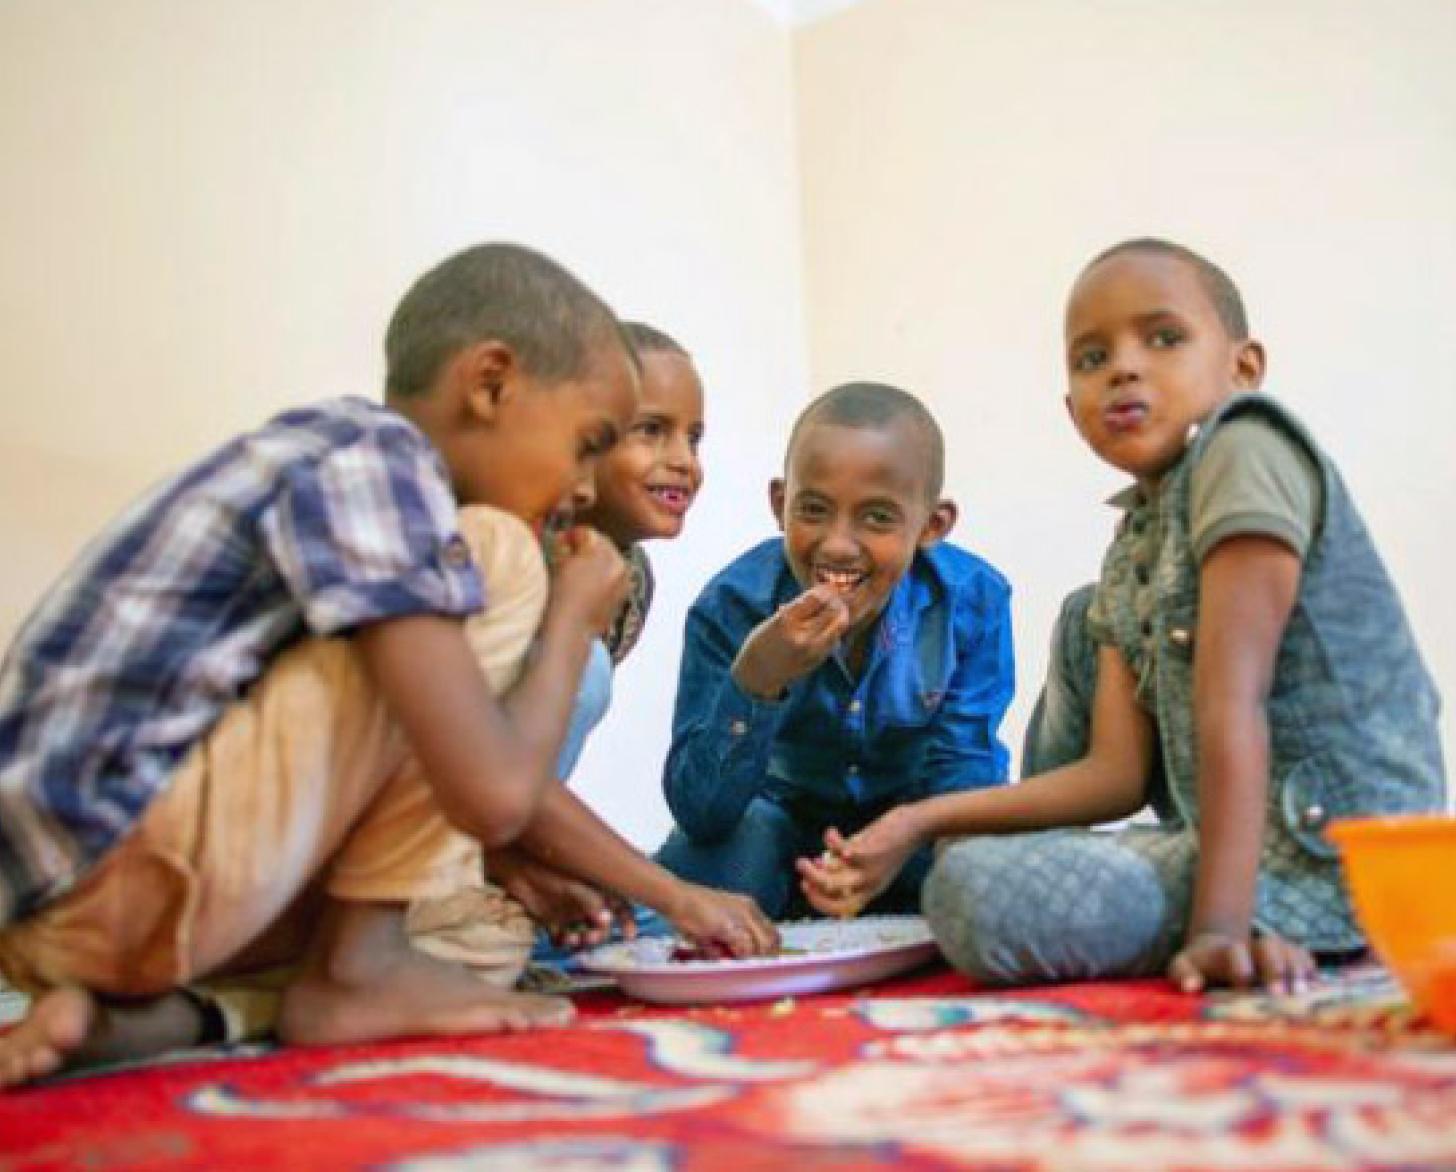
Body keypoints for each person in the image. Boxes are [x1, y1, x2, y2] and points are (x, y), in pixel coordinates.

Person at [0, 241, 643, 1087]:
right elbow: (492, 796)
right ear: (490, 382)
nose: (588, 486)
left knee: (475, 937)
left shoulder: (359, 478)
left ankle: (161, 1018)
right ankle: (356, 970)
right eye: (588, 443)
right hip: (108, 861)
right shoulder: (371, 458)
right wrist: (568, 623)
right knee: (496, 556)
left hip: (82, 908)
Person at [804, 239, 1446, 994]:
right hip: (1220, 835)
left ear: (1242, 368)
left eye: (1164, 338)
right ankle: (1177, 894)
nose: (1124, 368)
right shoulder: (1134, 538)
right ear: (1071, 408)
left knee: (968, 893)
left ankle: (1254, 917)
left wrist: (1221, 932)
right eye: (1091, 357)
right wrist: (917, 820)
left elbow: (1229, 703)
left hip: (1339, 854)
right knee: (971, 842)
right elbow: (1115, 775)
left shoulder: (1247, 446)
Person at [428, 322, 778, 958]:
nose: (685, 462)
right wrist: (673, 894)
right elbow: (478, 768)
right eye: (651, 431)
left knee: (661, 918)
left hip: (497, 841)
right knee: (673, 913)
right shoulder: (504, 553)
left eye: (694, 438)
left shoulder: (627, 578)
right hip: (423, 848)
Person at [656, 382, 1016, 920]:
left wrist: (896, 842)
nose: (838, 544)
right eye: (815, 509)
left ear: (931, 526)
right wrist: (756, 682)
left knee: (979, 866)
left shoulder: (970, 601)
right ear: (780, 505)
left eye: (877, 518)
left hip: (909, 830)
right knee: (721, 861)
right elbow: (701, 812)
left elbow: (964, 771)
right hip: (780, 831)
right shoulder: (732, 606)